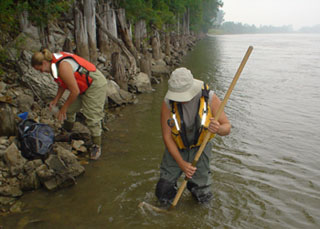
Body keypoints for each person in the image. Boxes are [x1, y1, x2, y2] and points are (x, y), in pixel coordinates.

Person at [155, 67, 231, 204]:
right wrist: (181, 163)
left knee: (202, 195)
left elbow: (227, 128)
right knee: (163, 191)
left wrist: (218, 129)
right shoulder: (168, 102)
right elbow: (167, 137)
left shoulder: (210, 98)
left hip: (200, 148)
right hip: (176, 147)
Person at [31, 49, 107, 160]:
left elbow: (74, 91)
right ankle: (67, 132)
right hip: (82, 85)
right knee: (69, 111)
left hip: (94, 85)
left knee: (92, 116)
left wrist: (63, 108)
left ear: (44, 63)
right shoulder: (53, 65)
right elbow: (62, 83)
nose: (42, 72)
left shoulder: (63, 66)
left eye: (40, 69)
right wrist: (56, 99)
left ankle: (96, 145)